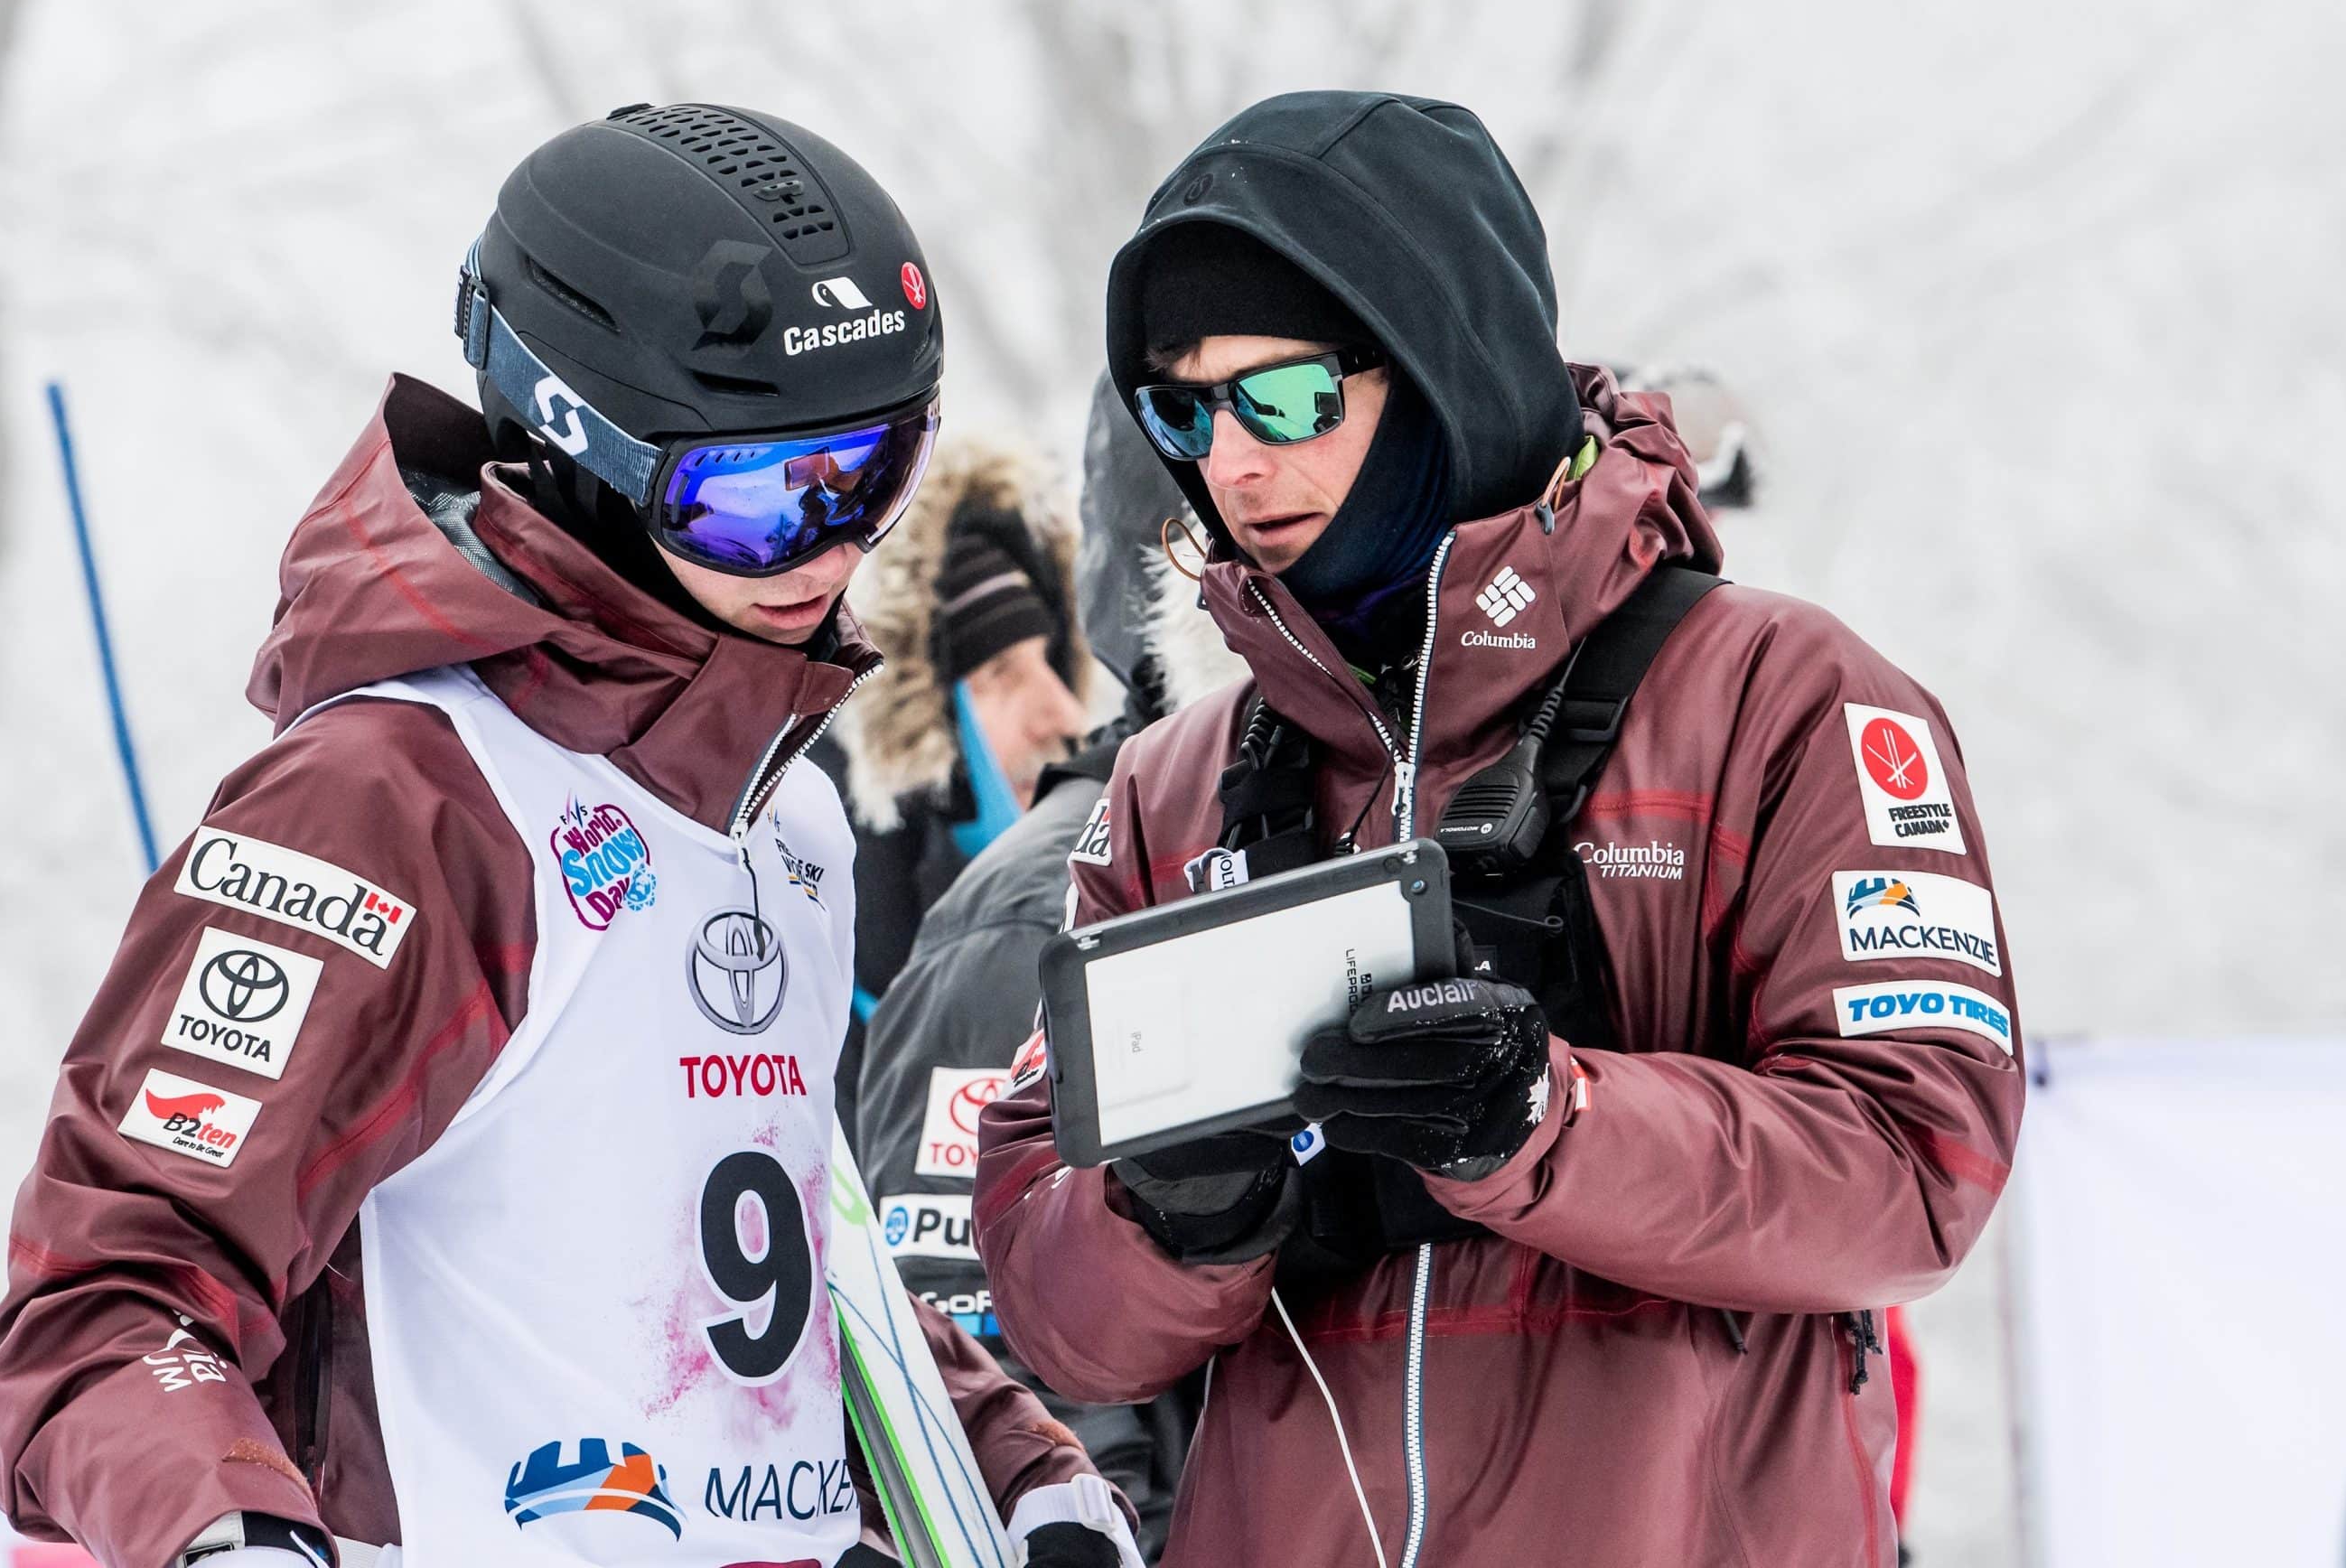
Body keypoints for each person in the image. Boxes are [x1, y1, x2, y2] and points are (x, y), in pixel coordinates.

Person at [0, 104, 1137, 1568]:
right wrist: (226, 1531)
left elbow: (766, 1255)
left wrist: (1009, 1463)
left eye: (872, 474)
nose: (833, 551)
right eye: (756, 498)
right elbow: (107, 1293)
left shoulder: (782, 811)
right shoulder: (396, 802)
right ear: (582, 445)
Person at [975, 90, 2024, 1568]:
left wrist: (1547, 1118)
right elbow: (1042, 1298)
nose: (1232, 462)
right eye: (1183, 409)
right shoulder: (1175, 785)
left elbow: (1923, 1157)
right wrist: (1165, 1216)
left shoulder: (1791, 704)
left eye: (1280, 397)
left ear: (1438, 365)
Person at [855, 375, 1245, 1559]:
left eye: (1046, 664)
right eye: (1000, 674)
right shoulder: (1024, 916)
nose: (1040, 707)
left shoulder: (1252, 843)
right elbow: (971, 1345)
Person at [815, 440, 1089, 1114]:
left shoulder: (1107, 890)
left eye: (1050, 662)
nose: (1064, 712)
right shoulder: (812, 975)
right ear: (919, 739)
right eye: (1001, 677)